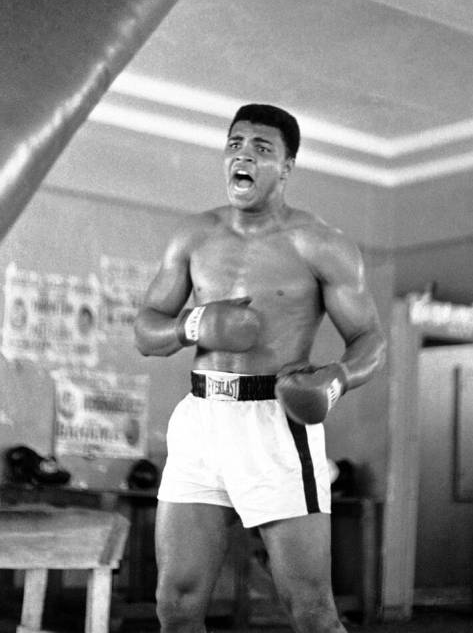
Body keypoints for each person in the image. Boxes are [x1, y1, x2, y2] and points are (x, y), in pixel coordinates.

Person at [134, 103, 386, 633]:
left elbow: (370, 338)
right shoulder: (193, 236)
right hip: (201, 420)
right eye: (234, 144)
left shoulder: (321, 244)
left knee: (311, 611)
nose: (242, 156)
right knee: (175, 605)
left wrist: (336, 381)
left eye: (260, 149)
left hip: (275, 424)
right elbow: (146, 329)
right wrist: (193, 325)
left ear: (286, 167)